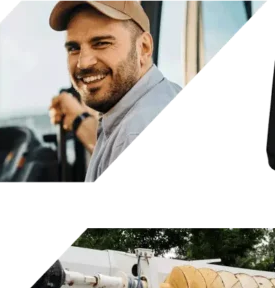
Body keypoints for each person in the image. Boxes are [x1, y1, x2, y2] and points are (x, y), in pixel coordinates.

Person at [48, 0, 182, 183]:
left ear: (144, 48)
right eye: (74, 48)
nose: (83, 63)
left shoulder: (136, 131)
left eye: (102, 43)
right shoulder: (160, 98)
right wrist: (79, 119)